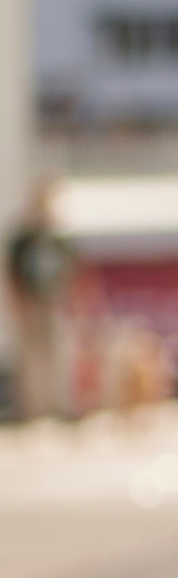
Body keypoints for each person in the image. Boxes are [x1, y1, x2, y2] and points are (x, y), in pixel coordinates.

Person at [5, 181, 77, 425]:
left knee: (57, 354)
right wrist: (19, 304)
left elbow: (70, 270)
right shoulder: (24, 239)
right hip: (31, 302)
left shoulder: (57, 237)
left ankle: (57, 406)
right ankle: (33, 410)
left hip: (52, 302)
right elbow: (13, 272)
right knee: (31, 361)